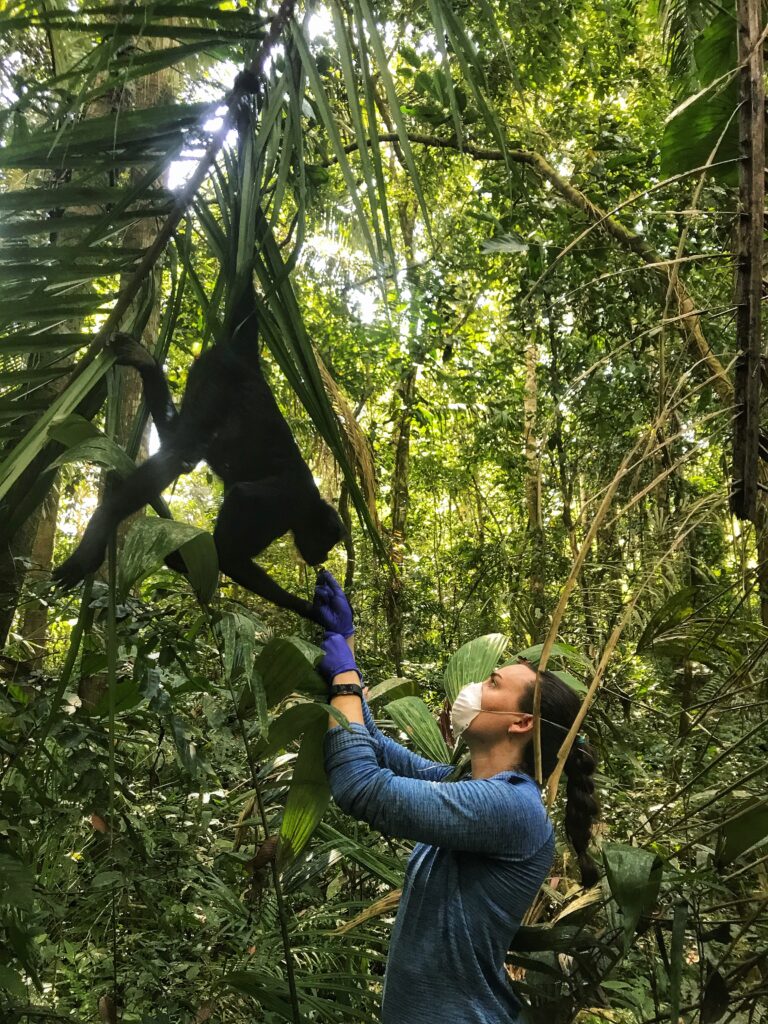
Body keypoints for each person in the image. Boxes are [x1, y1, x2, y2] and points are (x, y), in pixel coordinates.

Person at [312, 570, 600, 1024]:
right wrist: (345, 643)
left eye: (492, 682)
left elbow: (363, 786)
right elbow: (380, 752)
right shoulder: (465, 783)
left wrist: (346, 683)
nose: (475, 686)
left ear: (520, 722)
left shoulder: (512, 808)